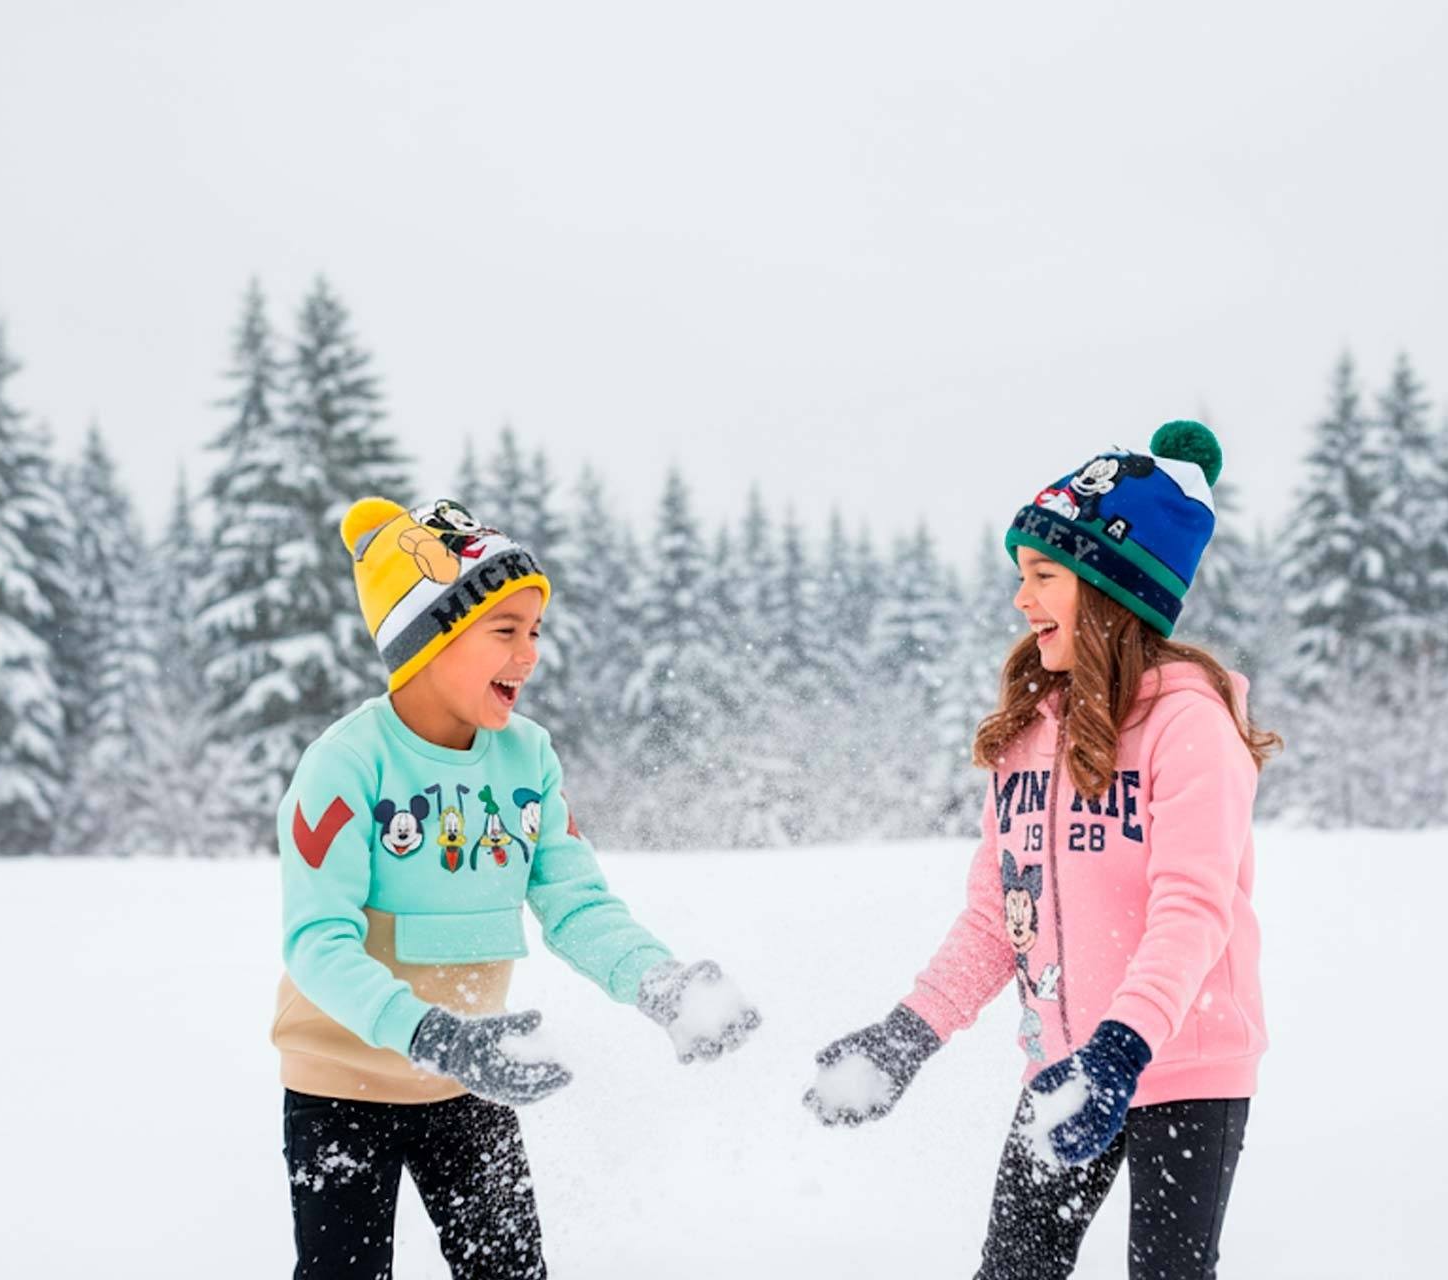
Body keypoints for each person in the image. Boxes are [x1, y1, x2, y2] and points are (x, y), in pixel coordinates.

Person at [803, 423, 1279, 1280]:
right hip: (1061, 1063)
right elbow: (998, 915)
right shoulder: (1030, 734)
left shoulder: (1189, 727)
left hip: (1182, 1065)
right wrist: (907, 1035)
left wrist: (1122, 1047)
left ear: (1110, 590)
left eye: (1045, 576)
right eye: (1021, 576)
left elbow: (1192, 910)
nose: (1022, 600)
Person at [276, 496, 761, 1279]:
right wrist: (432, 1033)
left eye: (534, 631)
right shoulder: (346, 763)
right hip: (343, 1087)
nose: (529, 655)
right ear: (429, 639)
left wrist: (658, 982)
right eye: (505, 631)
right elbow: (315, 944)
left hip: (475, 1080)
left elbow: (575, 903)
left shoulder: (527, 758)